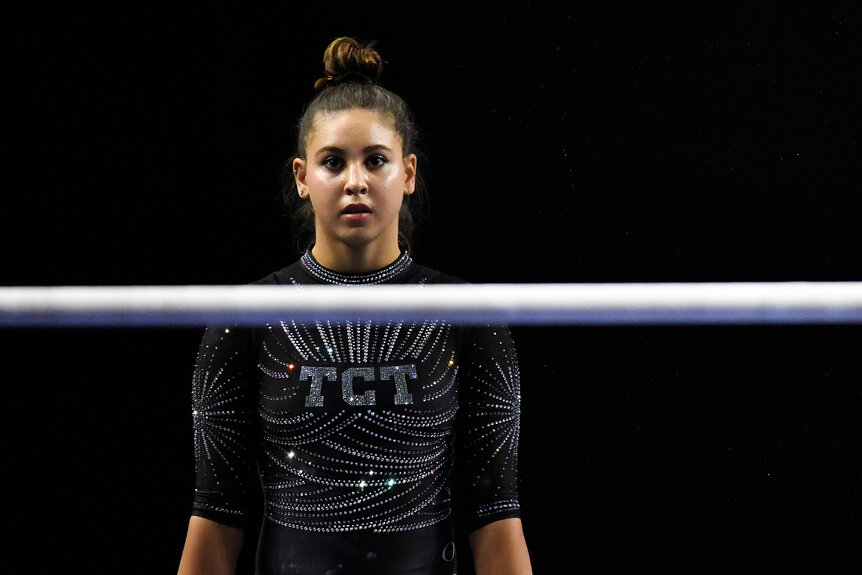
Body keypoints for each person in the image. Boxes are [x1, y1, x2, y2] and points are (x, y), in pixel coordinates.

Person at [177, 36, 532, 575]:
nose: (356, 181)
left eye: (376, 161)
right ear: (302, 177)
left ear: (407, 174)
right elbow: (216, 517)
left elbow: (496, 516)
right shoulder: (245, 318)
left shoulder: (466, 315)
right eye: (333, 162)